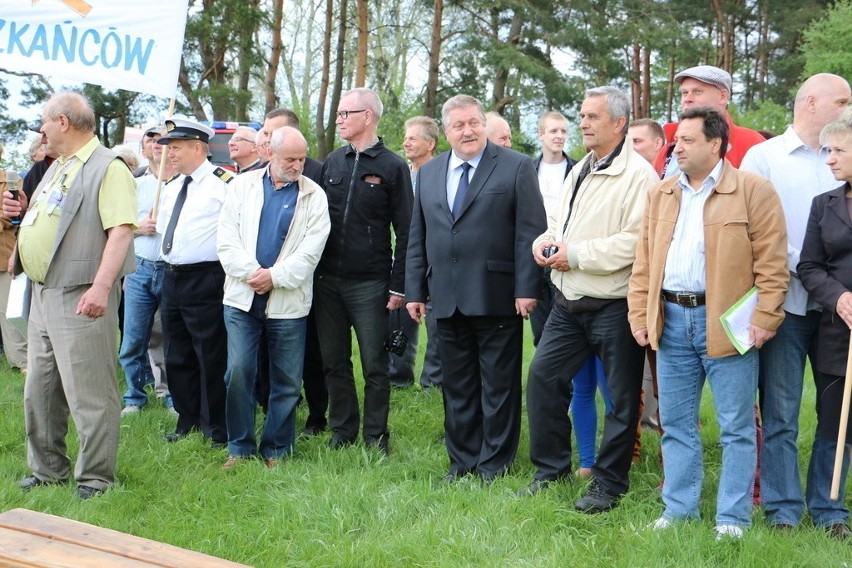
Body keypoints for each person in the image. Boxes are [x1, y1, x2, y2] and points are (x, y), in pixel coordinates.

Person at [628, 107, 788, 539]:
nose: (677, 147)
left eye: (687, 140)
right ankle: (679, 510)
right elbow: (644, 262)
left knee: (736, 427)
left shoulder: (754, 191)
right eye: (676, 140)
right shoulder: (661, 193)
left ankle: (731, 518)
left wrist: (767, 317)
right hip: (671, 319)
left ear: (716, 144)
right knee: (675, 424)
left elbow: (773, 265)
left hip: (728, 324)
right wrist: (640, 314)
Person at [521, 87, 655, 512]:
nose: (583, 123)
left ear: (619, 123)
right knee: (543, 379)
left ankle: (609, 484)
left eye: (592, 116)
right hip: (568, 302)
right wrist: (545, 243)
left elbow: (636, 243)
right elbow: (559, 222)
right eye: (582, 115)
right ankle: (551, 470)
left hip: (614, 306)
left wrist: (574, 255)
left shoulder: (640, 177)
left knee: (619, 398)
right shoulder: (580, 168)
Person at [406, 94, 546, 482]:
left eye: (474, 123)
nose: (467, 131)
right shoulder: (430, 173)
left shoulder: (515, 167)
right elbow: (419, 234)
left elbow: (529, 231)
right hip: (445, 297)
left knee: (499, 386)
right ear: (446, 131)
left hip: (498, 293)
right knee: (457, 385)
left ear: (484, 125)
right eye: (458, 125)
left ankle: (494, 464)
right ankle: (463, 461)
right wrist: (415, 291)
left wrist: (526, 287)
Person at [4, 91, 137, 499]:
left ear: (63, 122)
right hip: (43, 295)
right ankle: (47, 470)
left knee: (90, 391)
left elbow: (121, 231)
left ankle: (96, 478)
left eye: (44, 121)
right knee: (40, 389)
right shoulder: (58, 165)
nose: (41, 129)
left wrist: (101, 287)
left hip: (80, 294)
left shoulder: (107, 167)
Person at [740, 73, 852, 530]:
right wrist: (807, 262)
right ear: (810, 101)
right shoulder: (764, 158)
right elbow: (750, 228)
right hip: (783, 307)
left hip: (835, 318)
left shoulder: (840, 165)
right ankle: (783, 510)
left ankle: (829, 508)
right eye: (841, 100)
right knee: (782, 413)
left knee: (835, 416)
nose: (849, 107)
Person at [217, 126, 330, 469]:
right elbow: (226, 240)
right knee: (239, 371)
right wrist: (253, 274)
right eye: (290, 159)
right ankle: (239, 446)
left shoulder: (315, 196)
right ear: (270, 154)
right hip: (241, 298)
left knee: (286, 380)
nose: (298, 166)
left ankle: (277, 449)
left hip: (288, 303)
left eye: (301, 159)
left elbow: (311, 253)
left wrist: (274, 277)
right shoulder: (240, 187)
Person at [316, 88, 412, 454]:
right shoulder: (333, 162)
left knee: (375, 364)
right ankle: (342, 431)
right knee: (334, 362)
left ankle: (375, 437)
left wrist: (399, 285)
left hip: (371, 283)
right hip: (327, 281)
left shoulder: (393, 166)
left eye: (345, 113)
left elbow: (407, 232)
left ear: (367, 116)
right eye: (338, 114)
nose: (338, 119)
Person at [156, 118, 233, 446]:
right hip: (172, 278)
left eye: (176, 148)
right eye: (168, 148)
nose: (169, 154)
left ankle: (215, 425)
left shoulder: (224, 184)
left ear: (199, 148)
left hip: (206, 278)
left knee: (210, 354)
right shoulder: (173, 186)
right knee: (176, 353)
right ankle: (186, 419)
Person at [255, 107, 328, 436]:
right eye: (266, 134)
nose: (265, 139)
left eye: (271, 133)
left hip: (308, 281)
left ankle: (317, 415)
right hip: (260, 284)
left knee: (311, 353)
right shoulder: (258, 176)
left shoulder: (318, 176)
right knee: (264, 353)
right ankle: (271, 407)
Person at [798, 109, 852, 541]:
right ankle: (828, 509)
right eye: (827, 150)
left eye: (838, 150)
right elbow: (809, 266)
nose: (829, 159)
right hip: (838, 333)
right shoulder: (825, 204)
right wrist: (840, 298)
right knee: (836, 423)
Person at [119, 124, 177, 416]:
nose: (158, 144)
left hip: (171, 269)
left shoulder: (181, 183)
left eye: (162, 139)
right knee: (133, 337)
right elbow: (116, 227)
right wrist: (137, 229)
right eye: (151, 140)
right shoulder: (134, 183)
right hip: (139, 268)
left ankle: (169, 394)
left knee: (168, 336)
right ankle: (134, 396)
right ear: (144, 149)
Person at [388, 116, 440, 389]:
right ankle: (398, 377)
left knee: (436, 324)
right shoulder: (401, 173)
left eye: (413, 138)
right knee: (399, 318)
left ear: (430, 144)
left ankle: (433, 382)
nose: (406, 142)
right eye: (406, 137)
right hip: (405, 256)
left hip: (435, 259)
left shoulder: (444, 173)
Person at [654, 65, 765, 177]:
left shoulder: (752, 143)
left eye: (697, 92)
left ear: (722, 96)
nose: (688, 99)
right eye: (684, 93)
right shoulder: (669, 147)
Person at [0, 144, 27, 373]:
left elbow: (12, 217)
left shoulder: (11, 180)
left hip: (3, 254)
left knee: (8, 311)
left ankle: (22, 361)